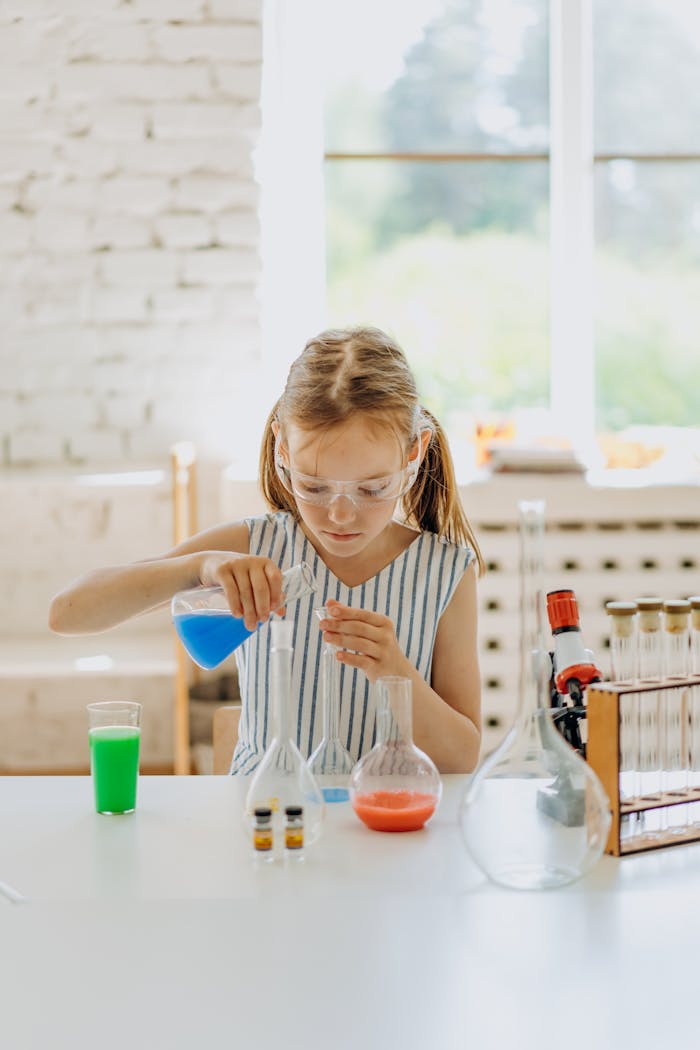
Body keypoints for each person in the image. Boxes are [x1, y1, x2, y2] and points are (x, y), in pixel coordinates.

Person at [49, 326, 484, 774]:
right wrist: (200, 566)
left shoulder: (445, 572)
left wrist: (395, 672)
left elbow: (462, 758)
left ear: (414, 454)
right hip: (264, 825)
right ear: (282, 449)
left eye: (372, 489)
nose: (339, 514)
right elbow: (67, 613)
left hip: (388, 831)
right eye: (313, 486)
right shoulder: (254, 546)